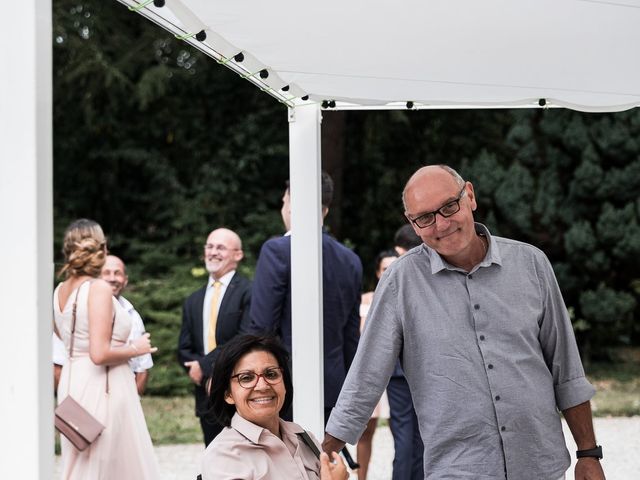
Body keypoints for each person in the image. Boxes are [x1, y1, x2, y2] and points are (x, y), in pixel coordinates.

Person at [323, 165, 605, 480]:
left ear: (469, 196)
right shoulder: (399, 282)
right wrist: (324, 453)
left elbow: (566, 369)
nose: (441, 224)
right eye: (426, 218)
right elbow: (366, 376)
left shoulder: (532, 264)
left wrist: (588, 454)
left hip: (540, 466)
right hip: (457, 470)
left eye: (448, 207)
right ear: (413, 225)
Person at [249, 172, 362, 427]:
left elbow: (262, 327)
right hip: (333, 387)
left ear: (291, 203)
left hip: (283, 387)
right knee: (322, 463)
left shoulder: (277, 251)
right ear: (325, 209)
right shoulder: (350, 260)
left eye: (283, 201)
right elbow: (350, 337)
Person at [53, 219, 159, 479]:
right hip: (103, 385)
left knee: (83, 460)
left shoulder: (59, 291)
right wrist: (136, 347)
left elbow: (65, 338)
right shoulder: (97, 288)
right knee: (108, 463)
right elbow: (98, 353)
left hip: (72, 381)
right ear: (100, 248)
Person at [201, 334, 348, 480]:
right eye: (246, 378)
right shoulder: (223, 456)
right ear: (228, 394)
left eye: (271, 374)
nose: (263, 386)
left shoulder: (304, 438)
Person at [178, 227, 252, 446]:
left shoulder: (249, 291)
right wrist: (198, 371)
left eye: (220, 247)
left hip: (238, 389)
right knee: (213, 459)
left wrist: (208, 366)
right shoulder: (193, 299)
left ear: (238, 254)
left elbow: (245, 337)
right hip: (206, 396)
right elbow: (183, 348)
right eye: (209, 246)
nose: (213, 252)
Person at [53, 254, 153, 395]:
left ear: (125, 280)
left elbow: (142, 368)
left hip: (122, 398)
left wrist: (130, 403)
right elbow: (58, 364)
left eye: (117, 273)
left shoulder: (133, 315)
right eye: (106, 273)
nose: (112, 278)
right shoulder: (78, 310)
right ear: (96, 277)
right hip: (84, 396)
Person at [383, 227, 424, 480]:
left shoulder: (399, 277)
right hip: (428, 368)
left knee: (403, 433)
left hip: (399, 368)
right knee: (422, 434)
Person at [356, 249, 397, 480]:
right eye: (385, 269)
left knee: (401, 431)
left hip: (398, 376)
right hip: (372, 373)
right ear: (377, 272)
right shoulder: (364, 300)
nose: (389, 273)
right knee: (365, 431)